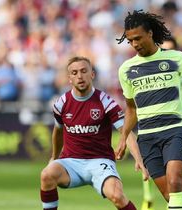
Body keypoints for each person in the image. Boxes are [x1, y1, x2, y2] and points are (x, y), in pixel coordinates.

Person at [116, 10, 182, 210]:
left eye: (138, 38)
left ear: (150, 33)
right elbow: (131, 108)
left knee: (176, 184)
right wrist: (123, 137)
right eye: (130, 41)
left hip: (175, 129)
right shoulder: (126, 69)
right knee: (170, 196)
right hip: (147, 137)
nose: (135, 44)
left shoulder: (176, 58)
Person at [39, 56, 148, 210]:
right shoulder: (61, 103)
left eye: (84, 71)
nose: (80, 76)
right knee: (46, 175)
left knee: (117, 196)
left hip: (100, 162)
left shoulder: (105, 101)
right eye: (74, 73)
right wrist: (54, 157)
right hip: (71, 162)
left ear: (92, 74)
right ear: (69, 78)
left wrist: (139, 159)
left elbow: (127, 132)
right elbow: (58, 131)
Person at [140, 36, 180, 210]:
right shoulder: (147, 70)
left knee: (174, 179)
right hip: (149, 125)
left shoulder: (180, 70)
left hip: (175, 126)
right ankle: (148, 194)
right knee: (166, 189)